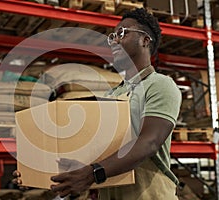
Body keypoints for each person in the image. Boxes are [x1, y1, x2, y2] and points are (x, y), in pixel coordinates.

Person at [13, 8, 181, 200]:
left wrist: (91, 174)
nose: (114, 41)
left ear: (145, 40)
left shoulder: (160, 84)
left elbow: (149, 142)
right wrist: (39, 171)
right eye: (112, 37)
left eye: (122, 33)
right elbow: (100, 152)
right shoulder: (113, 94)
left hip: (151, 195)